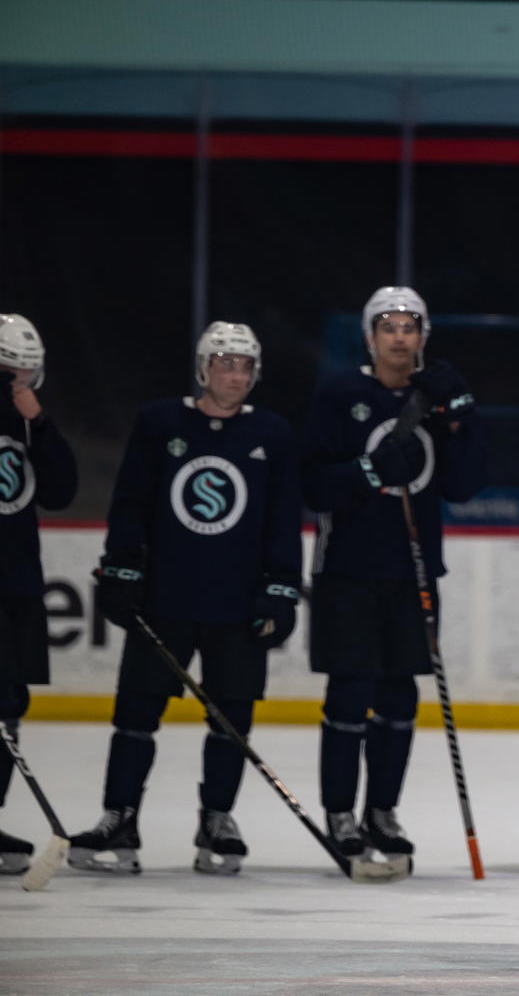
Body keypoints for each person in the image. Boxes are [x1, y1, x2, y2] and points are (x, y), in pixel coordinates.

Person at [71, 322, 300, 875]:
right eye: (226, 363)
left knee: (230, 721)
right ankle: (119, 817)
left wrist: (280, 590)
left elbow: (283, 520)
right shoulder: (160, 423)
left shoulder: (271, 432)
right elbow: (130, 502)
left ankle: (216, 819)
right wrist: (123, 566)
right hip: (165, 601)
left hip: (238, 608)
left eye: (246, 366)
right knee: (135, 716)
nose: (237, 375)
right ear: (203, 367)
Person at [301, 286, 485, 874]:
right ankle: (340, 814)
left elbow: (462, 486)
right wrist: (365, 470)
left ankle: (382, 810)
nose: (400, 336)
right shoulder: (339, 394)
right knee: (350, 692)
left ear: (423, 337)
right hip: (348, 571)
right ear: (370, 336)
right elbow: (310, 486)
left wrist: (460, 421)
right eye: (389, 326)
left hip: (414, 572)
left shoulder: (435, 399)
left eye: (410, 326)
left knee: (400, 696)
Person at [0, 314, 78, 874]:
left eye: (26, 372)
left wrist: (41, 426)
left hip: (18, 585)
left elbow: (60, 491)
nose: (17, 382)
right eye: (8, 372)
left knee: (9, 705)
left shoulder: (30, 423)